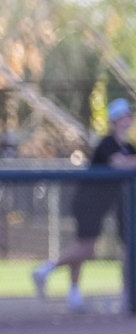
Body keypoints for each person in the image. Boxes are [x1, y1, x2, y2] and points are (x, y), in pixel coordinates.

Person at [33, 97, 136, 312]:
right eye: (125, 116)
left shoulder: (128, 146)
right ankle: (45, 270)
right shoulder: (107, 144)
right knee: (87, 249)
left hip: (111, 205)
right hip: (88, 201)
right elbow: (119, 165)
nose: (129, 119)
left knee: (88, 248)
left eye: (130, 115)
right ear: (115, 120)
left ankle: (75, 295)